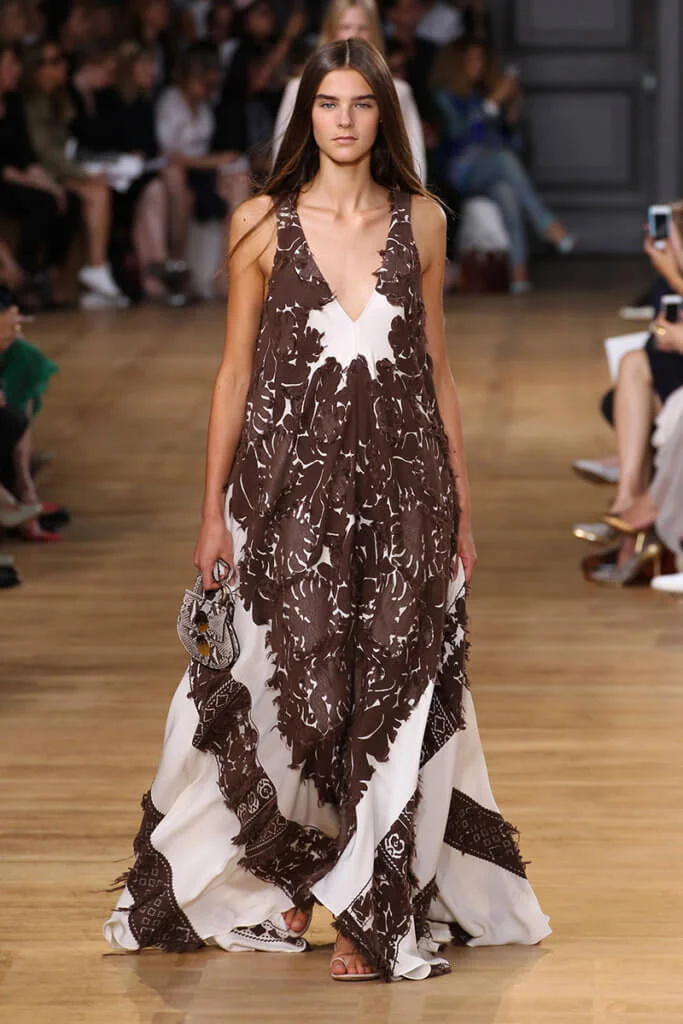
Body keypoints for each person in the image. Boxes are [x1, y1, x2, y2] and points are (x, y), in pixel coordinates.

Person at [104, 38, 550, 981]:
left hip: (406, 490)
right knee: (295, 687)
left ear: (384, 116)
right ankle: (300, 872)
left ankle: (369, 906)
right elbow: (233, 375)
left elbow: (436, 368)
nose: (343, 121)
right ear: (304, 116)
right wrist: (210, 512)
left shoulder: (422, 221)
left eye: (360, 104)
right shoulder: (259, 223)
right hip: (284, 492)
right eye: (327, 104)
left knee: (392, 691)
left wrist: (463, 507)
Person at [435, 37, 573, 294]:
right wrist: (491, 105)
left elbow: (510, 141)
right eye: (472, 59)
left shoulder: (482, 92)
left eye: (481, 59)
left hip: (493, 169)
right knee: (504, 160)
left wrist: (512, 110)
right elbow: (459, 135)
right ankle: (545, 223)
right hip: (461, 170)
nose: (478, 65)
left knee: (507, 191)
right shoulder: (446, 96)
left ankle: (519, 273)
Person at [22, 40, 129, 307]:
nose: (62, 66)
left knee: (98, 191)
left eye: (61, 59)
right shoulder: (31, 103)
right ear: (36, 69)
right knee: (94, 193)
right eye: (53, 62)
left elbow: (68, 145)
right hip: (41, 172)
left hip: (59, 170)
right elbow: (46, 152)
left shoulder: (59, 98)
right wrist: (82, 174)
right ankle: (95, 268)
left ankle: (96, 268)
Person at [272, 0, 427, 183]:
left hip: (383, 191)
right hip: (309, 191)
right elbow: (285, 157)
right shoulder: (299, 87)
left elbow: (413, 161)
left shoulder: (398, 91)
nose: (354, 35)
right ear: (331, 30)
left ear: (374, 32)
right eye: (345, 27)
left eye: (362, 28)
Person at [0, 42, 80, 310]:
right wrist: (40, 185)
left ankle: (50, 276)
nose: (16, 71)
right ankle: (21, 278)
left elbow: (28, 157)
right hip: (6, 180)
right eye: (9, 65)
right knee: (42, 202)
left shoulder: (13, 104)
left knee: (67, 199)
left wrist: (52, 186)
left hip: (18, 177)